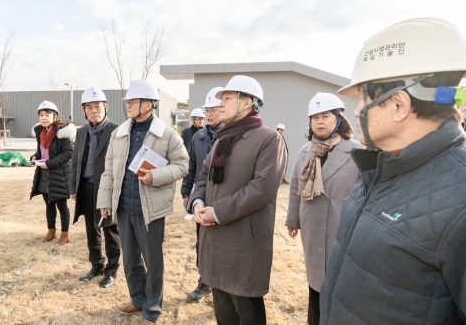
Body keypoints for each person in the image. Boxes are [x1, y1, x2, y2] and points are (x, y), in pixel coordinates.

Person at [319, 17, 466, 324]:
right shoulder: (380, 166)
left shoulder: (459, 200)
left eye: (363, 99)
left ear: (399, 105)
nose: (357, 111)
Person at [190, 75, 287, 325]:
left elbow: (261, 189)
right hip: (214, 241)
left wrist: (217, 211)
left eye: (227, 98)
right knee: (224, 312)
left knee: (247, 310)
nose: (220, 103)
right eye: (221, 98)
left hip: (244, 244)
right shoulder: (222, 138)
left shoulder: (269, 139)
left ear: (247, 103)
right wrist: (198, 203)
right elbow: (203, 176)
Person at [97, 79, 189, 325]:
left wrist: (155, 176)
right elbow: (108, 169)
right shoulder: (119, 133)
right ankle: (138, 300)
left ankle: (152, 309)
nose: (128, 105)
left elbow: (183, 165)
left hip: (151, 210)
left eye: (133, 101)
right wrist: (105, 200)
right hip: (124, 208)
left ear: (149, 105)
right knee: (130, 259)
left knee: (153, 262)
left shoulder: (167, 134)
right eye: (128, 101)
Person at [285, 93, 363, 325]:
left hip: (343, 228)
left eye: (325, 116)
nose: (319, 121)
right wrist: (292, 220)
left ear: (339, 118)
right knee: (316, 285)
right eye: (314, 117)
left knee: (341, 286)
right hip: (313, 226)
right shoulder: (305, 152)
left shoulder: (357, 150)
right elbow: (295, 188)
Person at [70, 87, 121, 288]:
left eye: (97, 106)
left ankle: (111, 270)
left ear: (106, 107)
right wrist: (73, 186)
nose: (94, 110)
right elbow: (75, 162)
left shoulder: (116, 131)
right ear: (84, 110)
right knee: (92, 230)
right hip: (85, 186)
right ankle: (96, 265)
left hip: (106, 189)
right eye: (89, 107)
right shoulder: (81, 132)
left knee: (110, 230)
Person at [180, 87, 223, 304]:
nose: (209, 113)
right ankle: (204, 281)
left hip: (223, 202)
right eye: (207, 109)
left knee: (223, 245)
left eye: (213, 109)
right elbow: (191, 167)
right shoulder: (198, 137)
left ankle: (223, 285)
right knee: (202, 243)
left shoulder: (230, 137)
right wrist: (186, 192)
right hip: (201, 201)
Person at [30, 100, 76, 245]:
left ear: (55, 116)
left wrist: (49, 164)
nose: (43, 118)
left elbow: (68, 153)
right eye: (41, 115)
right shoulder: (40, 132)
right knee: (49, 204)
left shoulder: (62, 132)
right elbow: (42, 151)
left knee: (61, 206)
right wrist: (35, 156)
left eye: (47, 114)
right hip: (43, 175)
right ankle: (51, 231)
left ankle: (65, 234)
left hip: (58, 175)